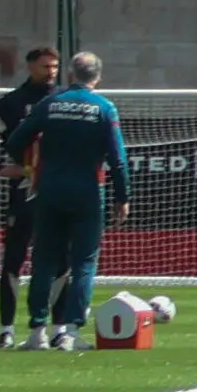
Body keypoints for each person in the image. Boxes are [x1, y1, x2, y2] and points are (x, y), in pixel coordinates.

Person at [26, 52, 125, 349]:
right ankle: (69, 333)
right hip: (88, 193)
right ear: (98, 77)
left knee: (43, 261)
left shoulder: (50, 104)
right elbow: (118, 159)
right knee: (83, 262)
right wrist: (123, 197)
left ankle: (36, 333)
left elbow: (18, 138)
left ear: (70, 75)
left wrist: (32, 167)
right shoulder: (104, 108)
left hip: (50, 190)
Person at [0, 43, 60, 345]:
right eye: (44, 67)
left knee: (59, 260)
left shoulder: (63, 100)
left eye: (54, 67)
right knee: (13, 260)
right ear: (30, 67)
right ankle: (6, 330)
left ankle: (59, 330)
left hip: (57, 190)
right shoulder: (14, 102)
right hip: (23, 192)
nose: (50, 72)